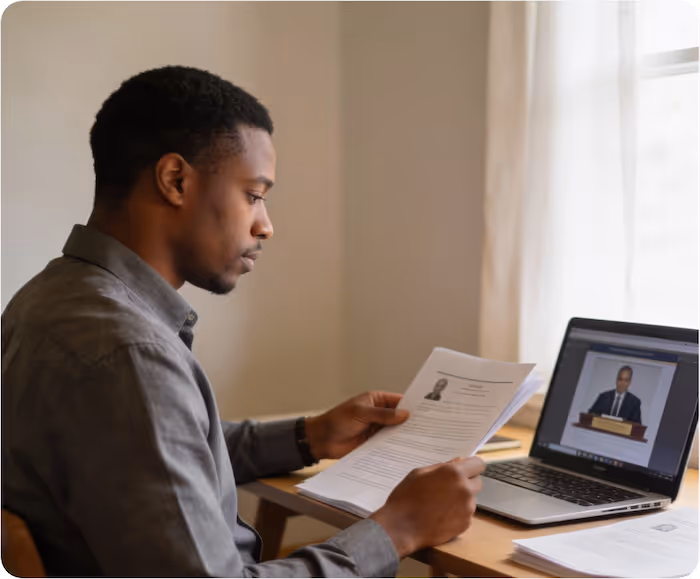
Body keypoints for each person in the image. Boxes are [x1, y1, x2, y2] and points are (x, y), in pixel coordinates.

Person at [1, 66, 485, 577]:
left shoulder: (50, 299)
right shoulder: (129, 354)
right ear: (175, 180)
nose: (266, 225)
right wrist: (401, 528)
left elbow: (160, 452)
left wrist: (310, 436)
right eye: (254, 195)